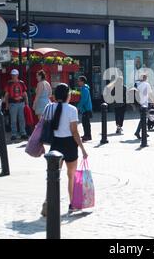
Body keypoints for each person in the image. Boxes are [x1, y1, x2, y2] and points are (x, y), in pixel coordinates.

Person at [46, 83, 88, 214]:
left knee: (52, 177)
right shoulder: (72, 109)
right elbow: (74, 132)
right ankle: (73, 204)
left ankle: (49, 205)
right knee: (72, 176)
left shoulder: (50, 108)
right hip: (69, 144)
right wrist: (82, 149)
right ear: (68, 95)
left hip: (55, 144)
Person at [4, 69, 29, 141]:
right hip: (13, 104)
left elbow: (25, 94)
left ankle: (23, 133)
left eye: (14, 75)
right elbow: (6, 95)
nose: (13, 76)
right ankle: (14, 134)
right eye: (12, 75)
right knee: (13, 120)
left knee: (22, 119)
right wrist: (7, 105)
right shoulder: (9, 83)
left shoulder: (21, 83)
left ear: (17, 75)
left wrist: (27, 104)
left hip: (21, 103)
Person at [134, 74, 153, 140]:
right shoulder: (147, 84)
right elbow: (150, 93)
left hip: (139, 103)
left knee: (143, 118)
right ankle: (138, 132)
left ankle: (144, 132)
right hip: (145, 104)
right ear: (145, 78)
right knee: (144, 119)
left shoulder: (137, 84)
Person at [76, 76, 93, 142]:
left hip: (86, 109)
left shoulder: (85, 89)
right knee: (85, 122)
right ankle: (86, 134)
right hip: (85, 109)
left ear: (82, 81)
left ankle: (88, 136)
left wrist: (78, 107)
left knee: (86, 123)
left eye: (79, 81)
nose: (78, 82)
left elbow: (83, 100)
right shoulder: (84, 88)